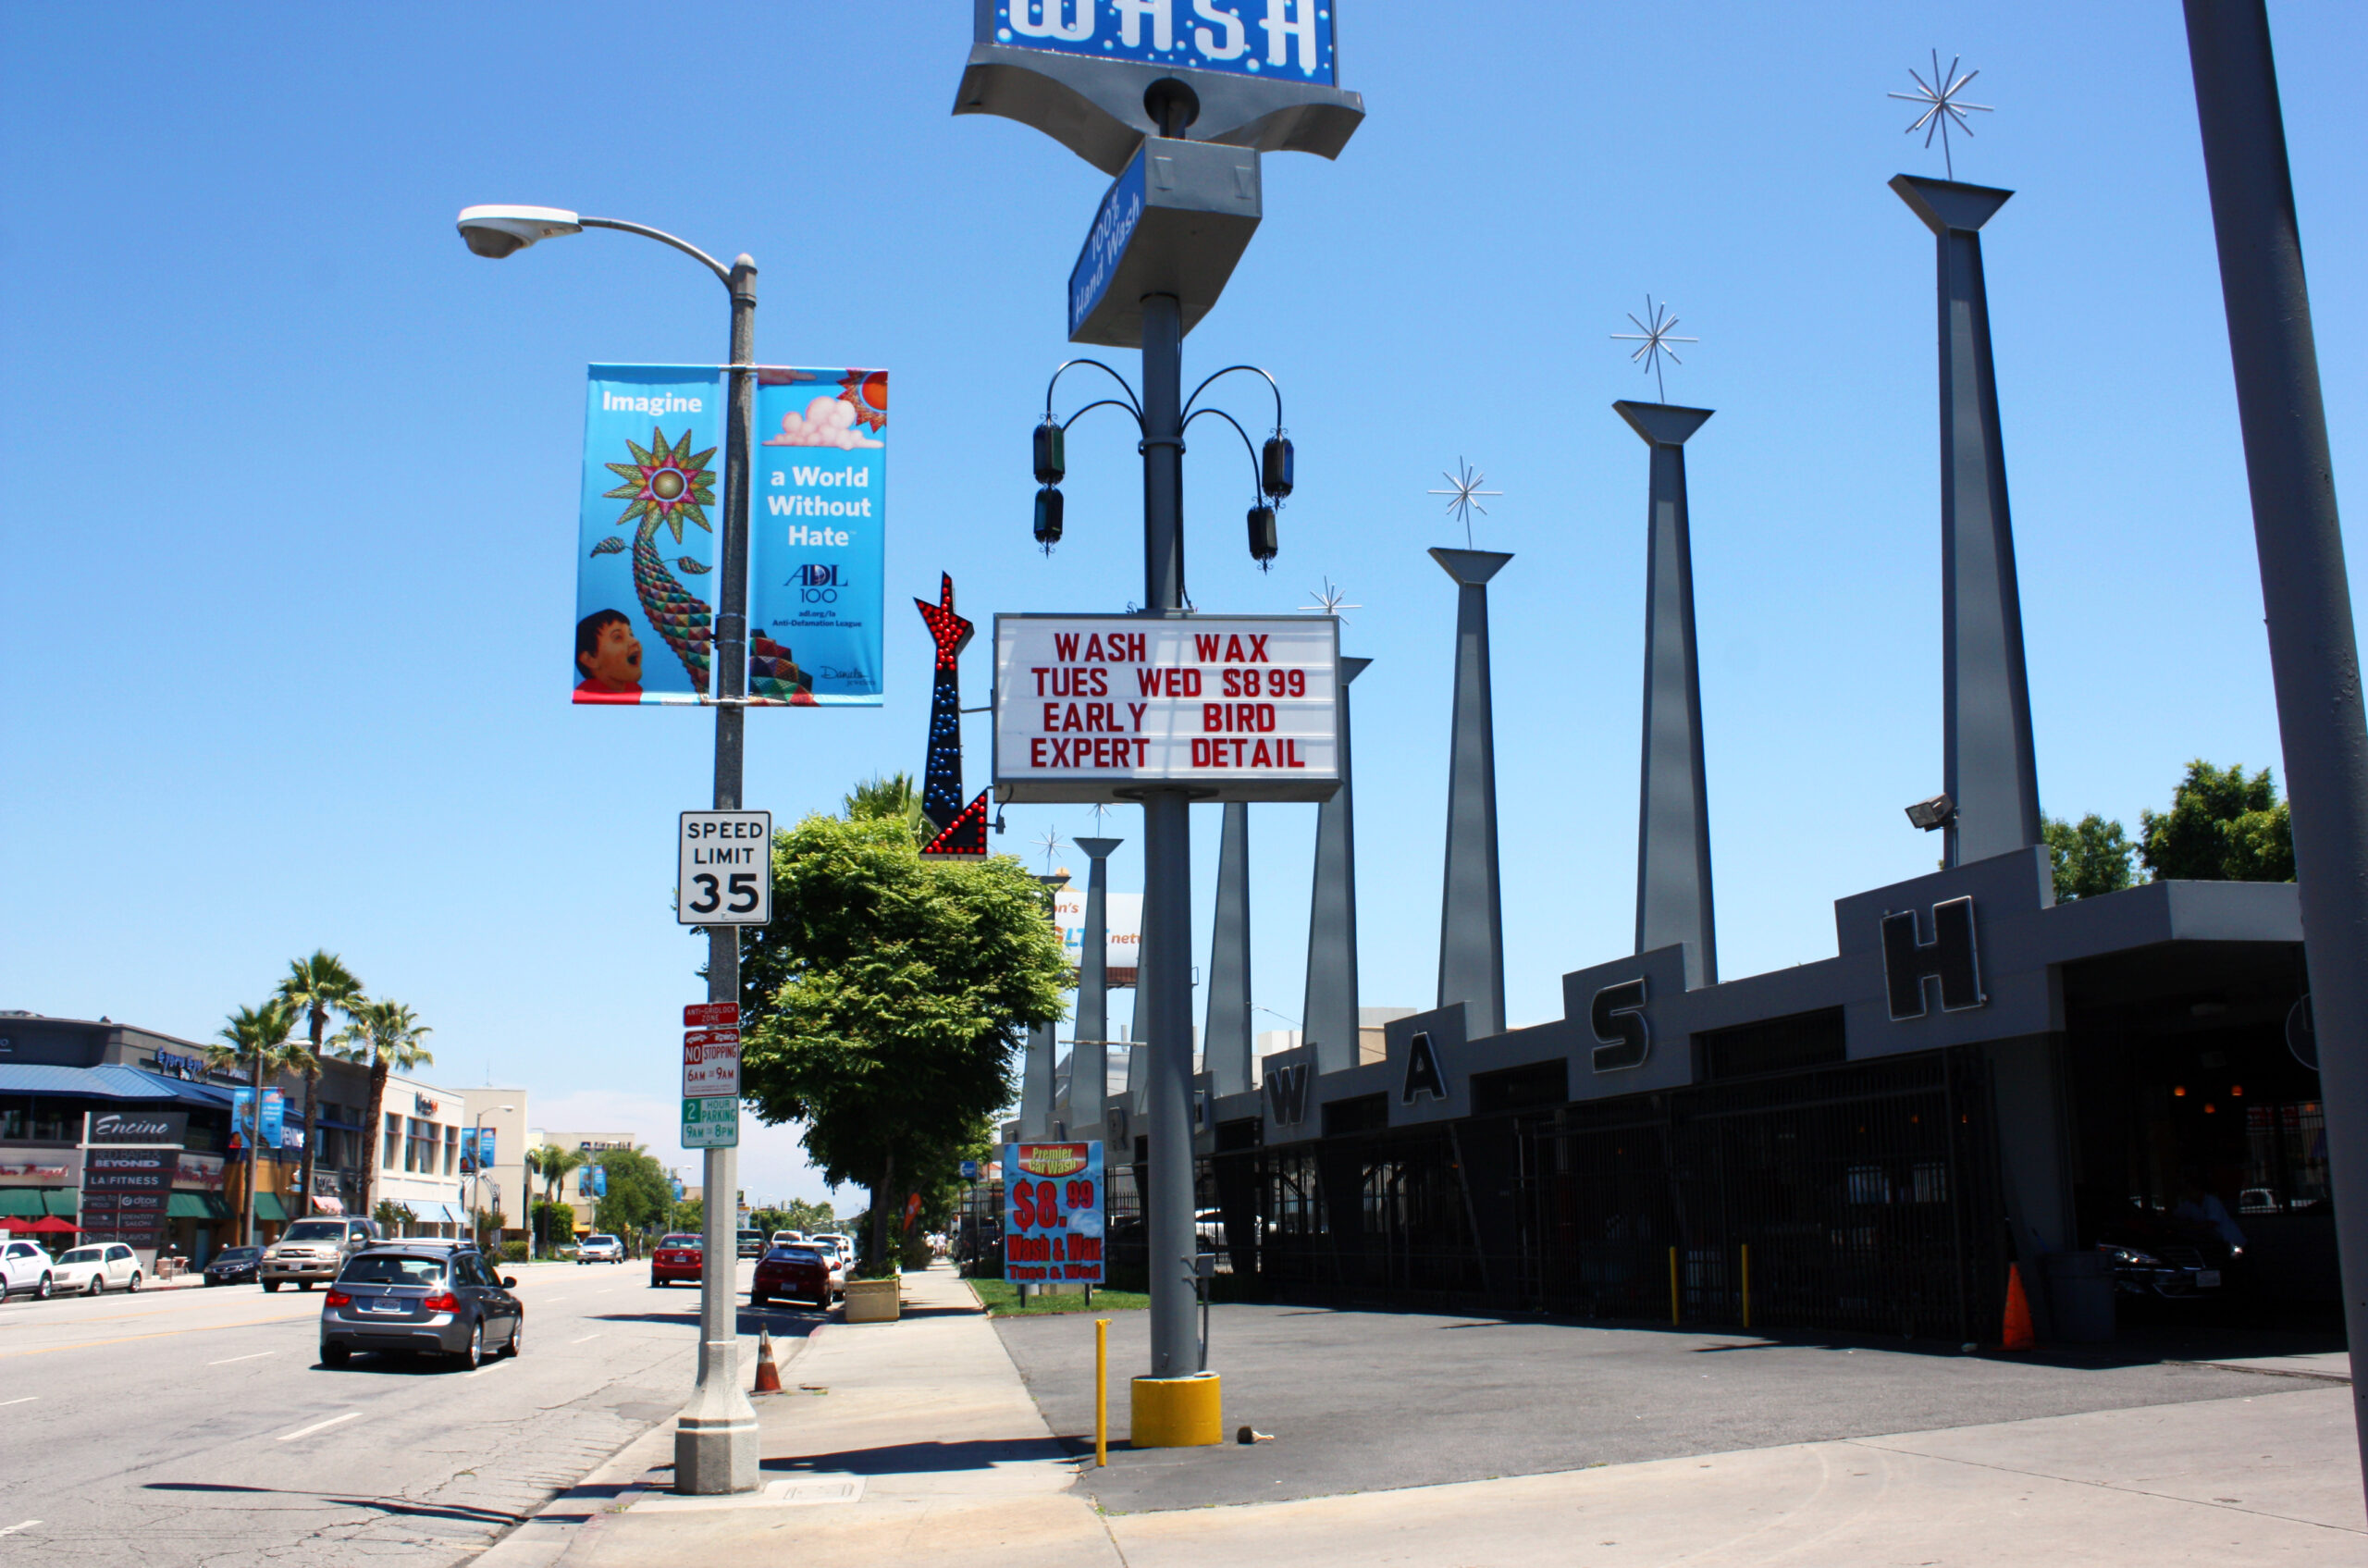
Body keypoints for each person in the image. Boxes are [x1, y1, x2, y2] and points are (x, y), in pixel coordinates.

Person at [574, 609, 644, 702]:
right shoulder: (585, 696)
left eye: (631, 634)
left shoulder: (635, 689)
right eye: (618, 637)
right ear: (590, 659)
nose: (635, 641)